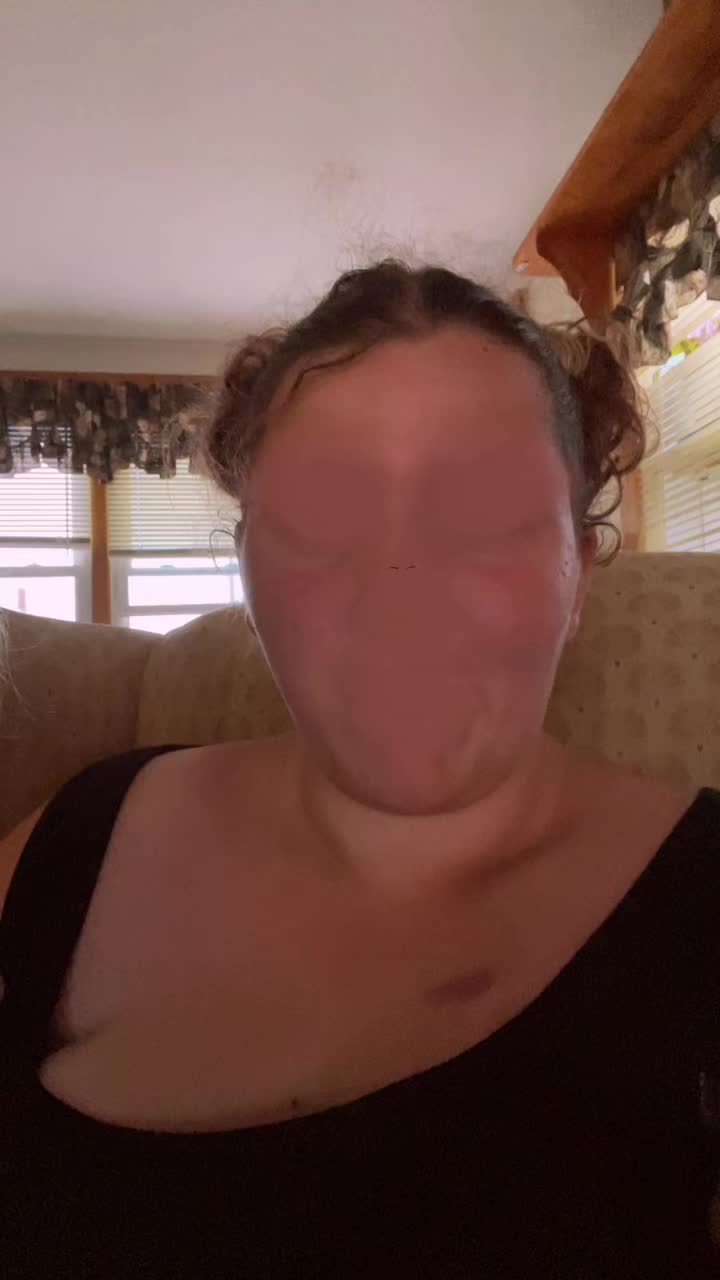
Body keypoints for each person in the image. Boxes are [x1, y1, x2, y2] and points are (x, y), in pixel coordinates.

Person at [1, 259, 719, 1277]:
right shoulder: (84, 829)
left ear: (578, 579)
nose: (400, 596)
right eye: (324, 520)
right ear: (247, 571)